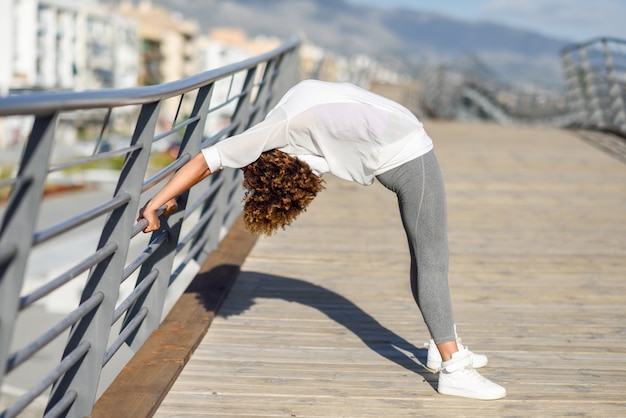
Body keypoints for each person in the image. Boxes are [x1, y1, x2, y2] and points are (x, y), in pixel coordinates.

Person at [138, 79, 506, 400]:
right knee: (432, 261)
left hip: (402, 147)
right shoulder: (284, 114)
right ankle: (454, 369)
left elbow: (213, 159)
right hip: (408, 154)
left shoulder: (277, 132)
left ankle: (441, 345)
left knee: (425, 257)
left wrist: (161, 197)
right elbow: (208, 158)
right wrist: (158, 199)